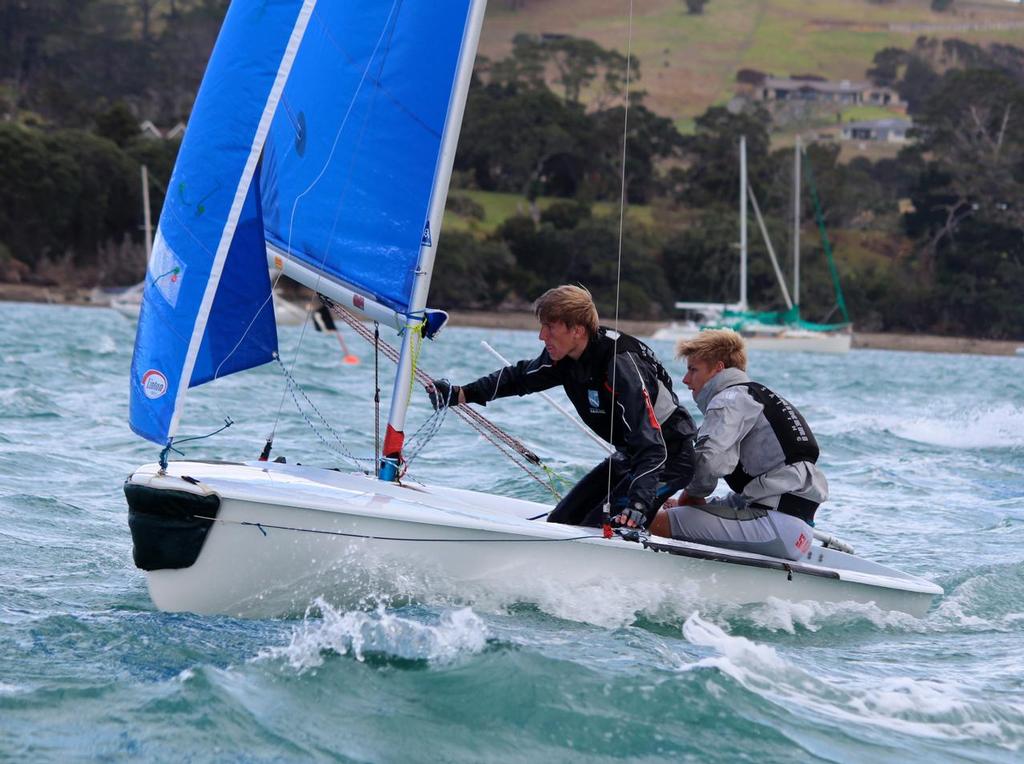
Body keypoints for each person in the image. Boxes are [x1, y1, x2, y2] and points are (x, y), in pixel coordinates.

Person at [428, 285, 695, 530]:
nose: (541, 336)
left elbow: (652, 446)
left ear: (577, 330)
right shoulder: (566, 357)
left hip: (668, 457)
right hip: (630, 455)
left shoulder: (620, 365)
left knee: (602, 527)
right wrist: (460, 394)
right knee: (560, 523)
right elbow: (519, 378)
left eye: (550, 327)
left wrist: (638, 503)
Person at [649, 329, 828, 560]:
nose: (685, 380)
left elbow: (708, 462)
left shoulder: (729, 399)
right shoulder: (759, 396)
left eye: (693, 369)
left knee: (649, 519)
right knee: (678, 513)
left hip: (773, 526)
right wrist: (700, 506)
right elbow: (763, 492)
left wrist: (688, 500)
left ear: (718, 369)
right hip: (797, 532)